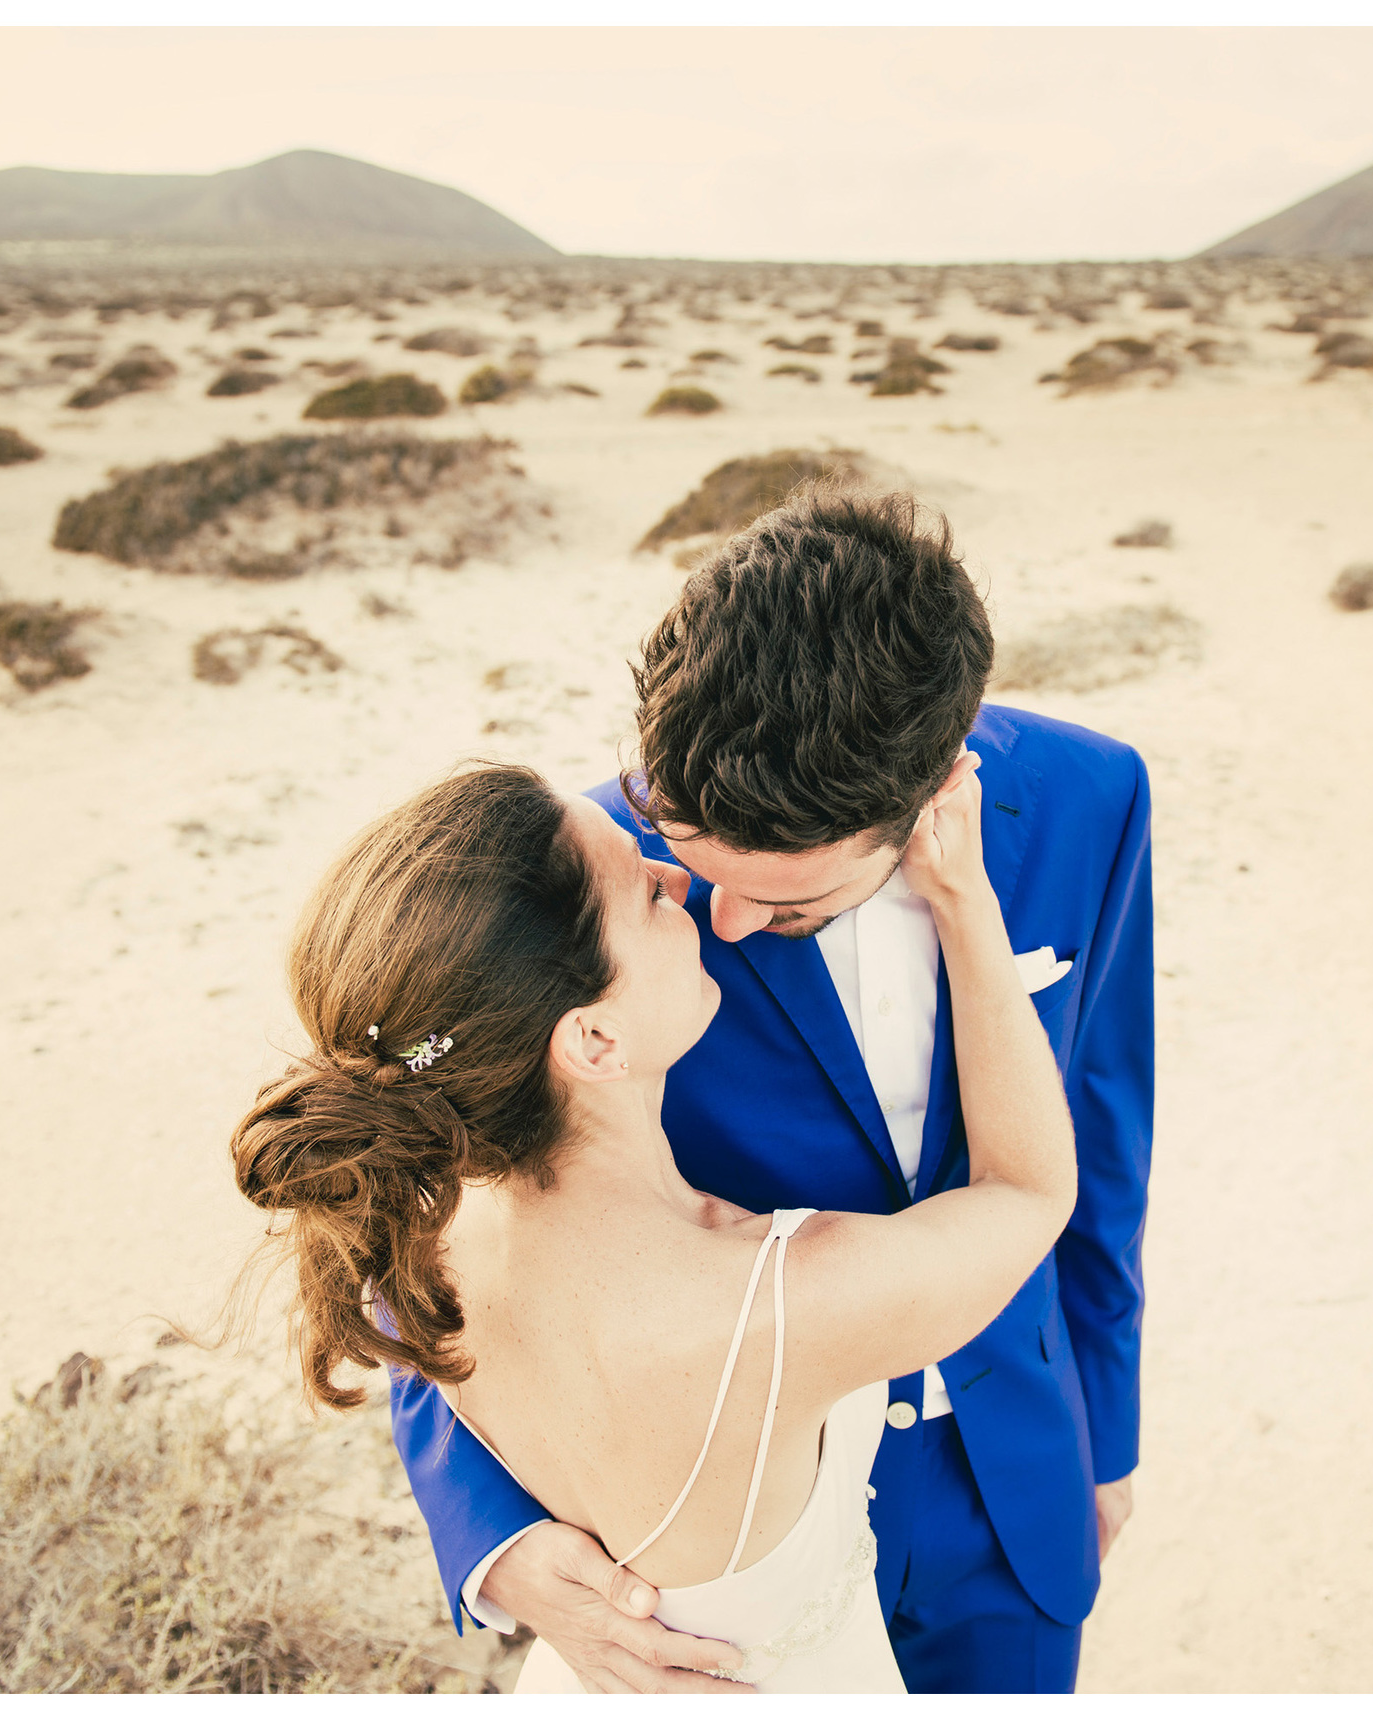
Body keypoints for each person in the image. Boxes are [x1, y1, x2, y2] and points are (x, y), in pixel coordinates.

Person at [389, 490, 1156, 1694]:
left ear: (931, 785)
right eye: (695, 872)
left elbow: (1106, 1144)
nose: (725, 922)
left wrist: (1103, 1440)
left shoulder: (1090, 799)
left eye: (787, 908)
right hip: (713, 1557)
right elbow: (430, 1191)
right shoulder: (583, 889)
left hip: (1015, 1498)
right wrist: (498, 1540)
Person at [231, 755, 1074, 1692]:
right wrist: (964, 902)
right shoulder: (774, 1304)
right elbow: (1027, 1195)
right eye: (646, 893)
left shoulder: (419, 1244)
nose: (680, 877)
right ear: (594, 1039)